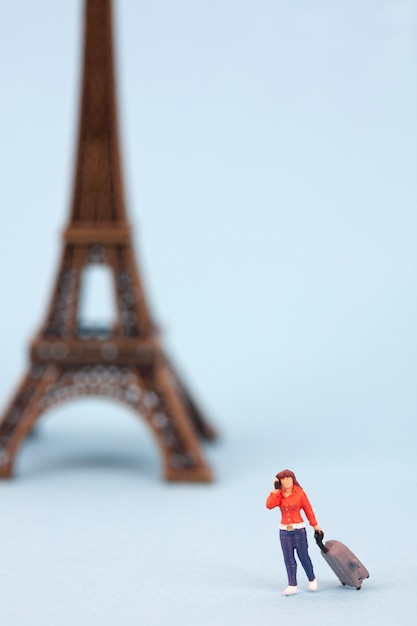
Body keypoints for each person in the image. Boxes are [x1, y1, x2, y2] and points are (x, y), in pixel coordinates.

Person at [266, 469, 322, 596]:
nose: (286, 481)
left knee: (303, 556)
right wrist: (275, 490)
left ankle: (312, 578)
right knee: (288, 558)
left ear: (293, 479)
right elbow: (269, 505)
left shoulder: (300, 494)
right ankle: (292, 584)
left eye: (288, 478)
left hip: (298, 530)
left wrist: (315, 525)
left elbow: (308, 509)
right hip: (284, 531)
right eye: (283, 479)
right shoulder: (279, 494)